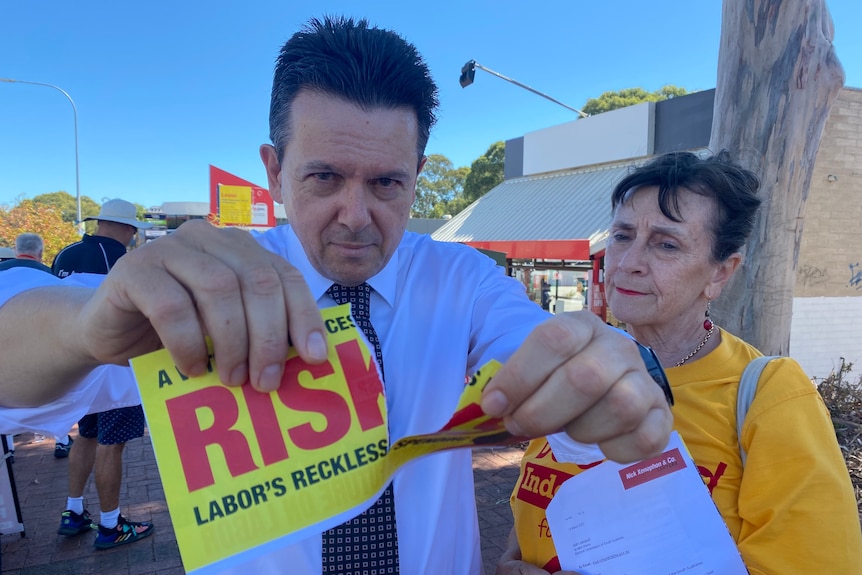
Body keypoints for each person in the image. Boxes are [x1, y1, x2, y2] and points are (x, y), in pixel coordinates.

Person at [0, 16, 672, 574]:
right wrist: (85, 325)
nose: (356, 215)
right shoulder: (212, 284)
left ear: (418, 174)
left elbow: (535, 343)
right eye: (324, 176)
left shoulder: (460, 281)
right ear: (275, 170)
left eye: (387, 184)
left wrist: (595, 371)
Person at [497, 151, 862, 575]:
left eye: (666, 244)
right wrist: (513, 558)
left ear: (720, 274)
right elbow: (541, 501)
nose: (629, 263)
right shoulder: (580, 373)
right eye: (622, 235)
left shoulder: (770, 396)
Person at [50, 198, 156, 550]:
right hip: (117, 373)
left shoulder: (64, 255)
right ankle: (111, 526)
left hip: (79, 367)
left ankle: (74, 510)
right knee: (112, 445)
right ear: (127, 229)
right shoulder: (127, 262)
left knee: (86, 436)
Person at [0, 234, 74, 458]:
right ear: (40, 253)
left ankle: (9, 450)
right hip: (41, 349)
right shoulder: (51, 277)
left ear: (15, 249)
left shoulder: (3, 273)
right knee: (55, 399)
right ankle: (61, 441)